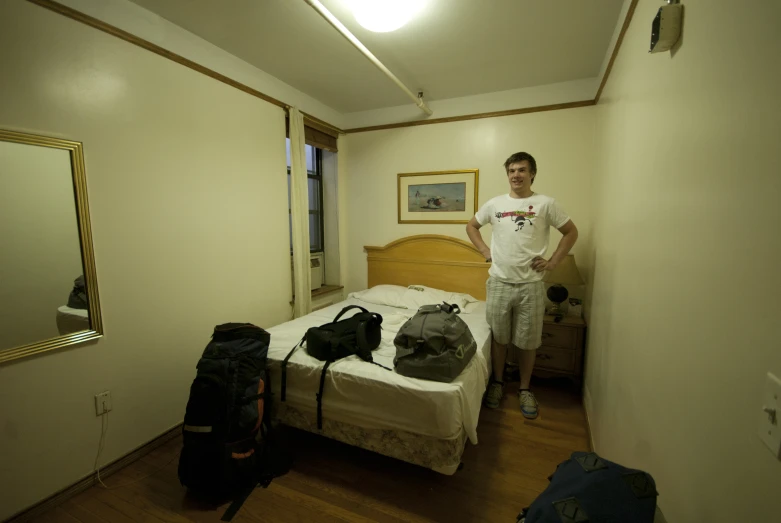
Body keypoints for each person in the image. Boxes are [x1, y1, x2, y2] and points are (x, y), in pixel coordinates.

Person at [466, 152, 578, 419]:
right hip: (499, 282)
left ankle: (525, 388)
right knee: (500, 339)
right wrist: (484, 250)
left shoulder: (545, 204)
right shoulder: (494, 204)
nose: (516, 175)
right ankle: (498, 383)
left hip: (531, 285)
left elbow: (571, 232)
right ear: (508, 175)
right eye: (512, 171)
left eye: (522, 170)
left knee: (528, 342)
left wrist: (553, 263)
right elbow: (471, 226)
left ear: (532, 174)